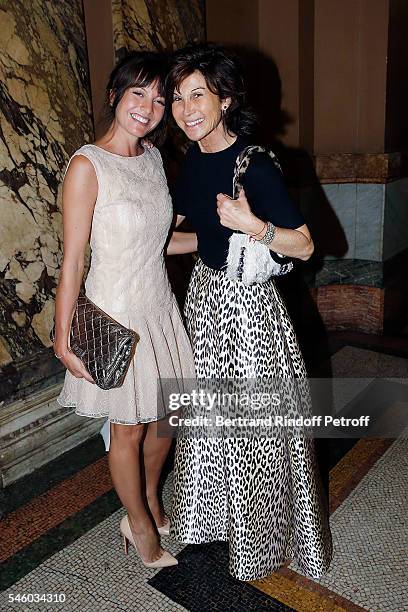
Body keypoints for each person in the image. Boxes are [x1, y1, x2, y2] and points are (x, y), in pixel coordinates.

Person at [166, 43, 332, 581]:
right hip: (206, 300)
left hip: (250, 313)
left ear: (226, 99)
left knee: (256, 432)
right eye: (178, 97)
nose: (187, 108)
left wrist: (253, 225)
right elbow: (199, 237)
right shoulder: (192, 159)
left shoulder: (254, 164)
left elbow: (306, 246)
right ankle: (220, 518)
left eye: (199, 95)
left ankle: (261, 541)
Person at [54, 51, 195, 568]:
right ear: (114, 95)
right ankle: (137, 524)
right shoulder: (87, 165)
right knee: (128, 430)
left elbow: (159, 242)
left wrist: (225, 236)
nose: (149, 107)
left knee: (166, 419)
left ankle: (151, 497)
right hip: (117, 317)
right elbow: (72, 261)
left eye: (160, 98)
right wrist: (61, 335)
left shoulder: (155, 159)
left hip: (159, 309)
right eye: (139, 92)